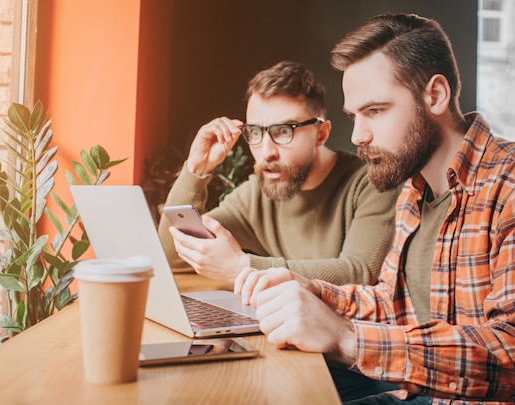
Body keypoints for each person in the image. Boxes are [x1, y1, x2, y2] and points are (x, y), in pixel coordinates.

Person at [234, 14, 515, 404]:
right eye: (354, 116)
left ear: (435, 96)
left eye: (375, 111)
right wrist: (312, 292)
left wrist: (346, 337)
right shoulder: (414, 191)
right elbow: (392, 305)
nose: (358, 135)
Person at [158, 61, 398, 285]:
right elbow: (173, 256)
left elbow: (358, 272)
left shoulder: (371, 183)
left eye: (283, 131)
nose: (266, 152)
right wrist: (197, 169)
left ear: (321, 134)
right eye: (255, 132)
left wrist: (243, 267)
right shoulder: (255, 194)